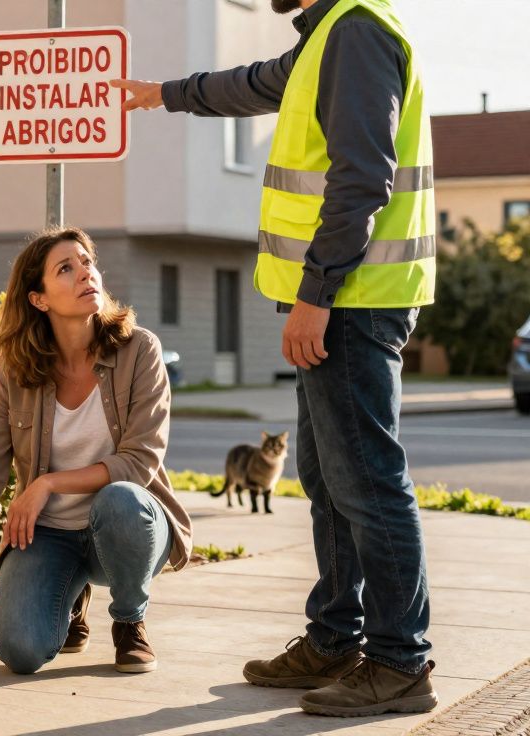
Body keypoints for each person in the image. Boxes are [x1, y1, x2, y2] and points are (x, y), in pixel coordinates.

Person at [112, 0, 437, 718]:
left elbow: (362, 177)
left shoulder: (356, 31)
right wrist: (162, 95)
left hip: (352, 299)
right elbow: (252, 84)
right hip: (340, 297)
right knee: (329, 479)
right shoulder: (327, 37)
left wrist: (316, 293)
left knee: (368, 483)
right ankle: (335, 639)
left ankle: (399, 661)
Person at [0, 227, 193, 676]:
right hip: (50, 534)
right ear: (39, 299)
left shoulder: (140, 350)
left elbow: (140, 461)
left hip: (126, 527)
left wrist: (48, 483)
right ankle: (71, 600)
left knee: (119, 499)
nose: (86, 273)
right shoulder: (14, 370)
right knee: (20, 652)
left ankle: (129, 621)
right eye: (66, 268)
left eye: (87, 261)